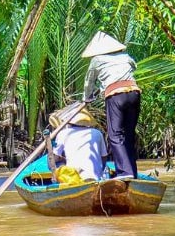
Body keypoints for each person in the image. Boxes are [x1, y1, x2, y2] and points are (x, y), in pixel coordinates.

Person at [82, 31, 141, 178]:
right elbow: (133, 68)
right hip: (134, 93)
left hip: (116, 95)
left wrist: (87, 98)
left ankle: (124, 172)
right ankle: (132, 172)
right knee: (129, 135)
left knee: (115, 136)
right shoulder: (126, 57)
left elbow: (89, 82)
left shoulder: (96, 60)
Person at [49, 103, 108, 180]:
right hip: (96, 177)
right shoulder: (97, 133)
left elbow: (53, 160)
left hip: (75, 177)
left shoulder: (64, 133)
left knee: (54, 161)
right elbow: (104, 158)